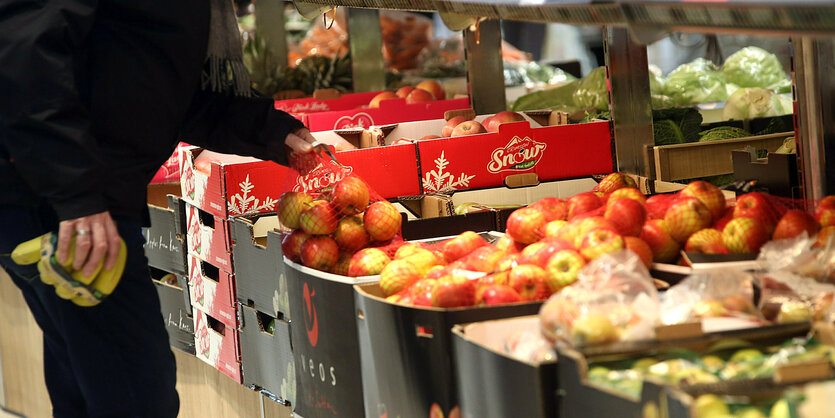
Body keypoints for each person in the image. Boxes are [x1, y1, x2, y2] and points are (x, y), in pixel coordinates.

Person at [0, 0, 347, 416]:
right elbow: (24, 52)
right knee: (137, 396)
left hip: (74, 192)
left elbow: (162, 88)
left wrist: (273, 133)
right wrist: (77, 197)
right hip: (61, 201)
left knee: (87, 381)